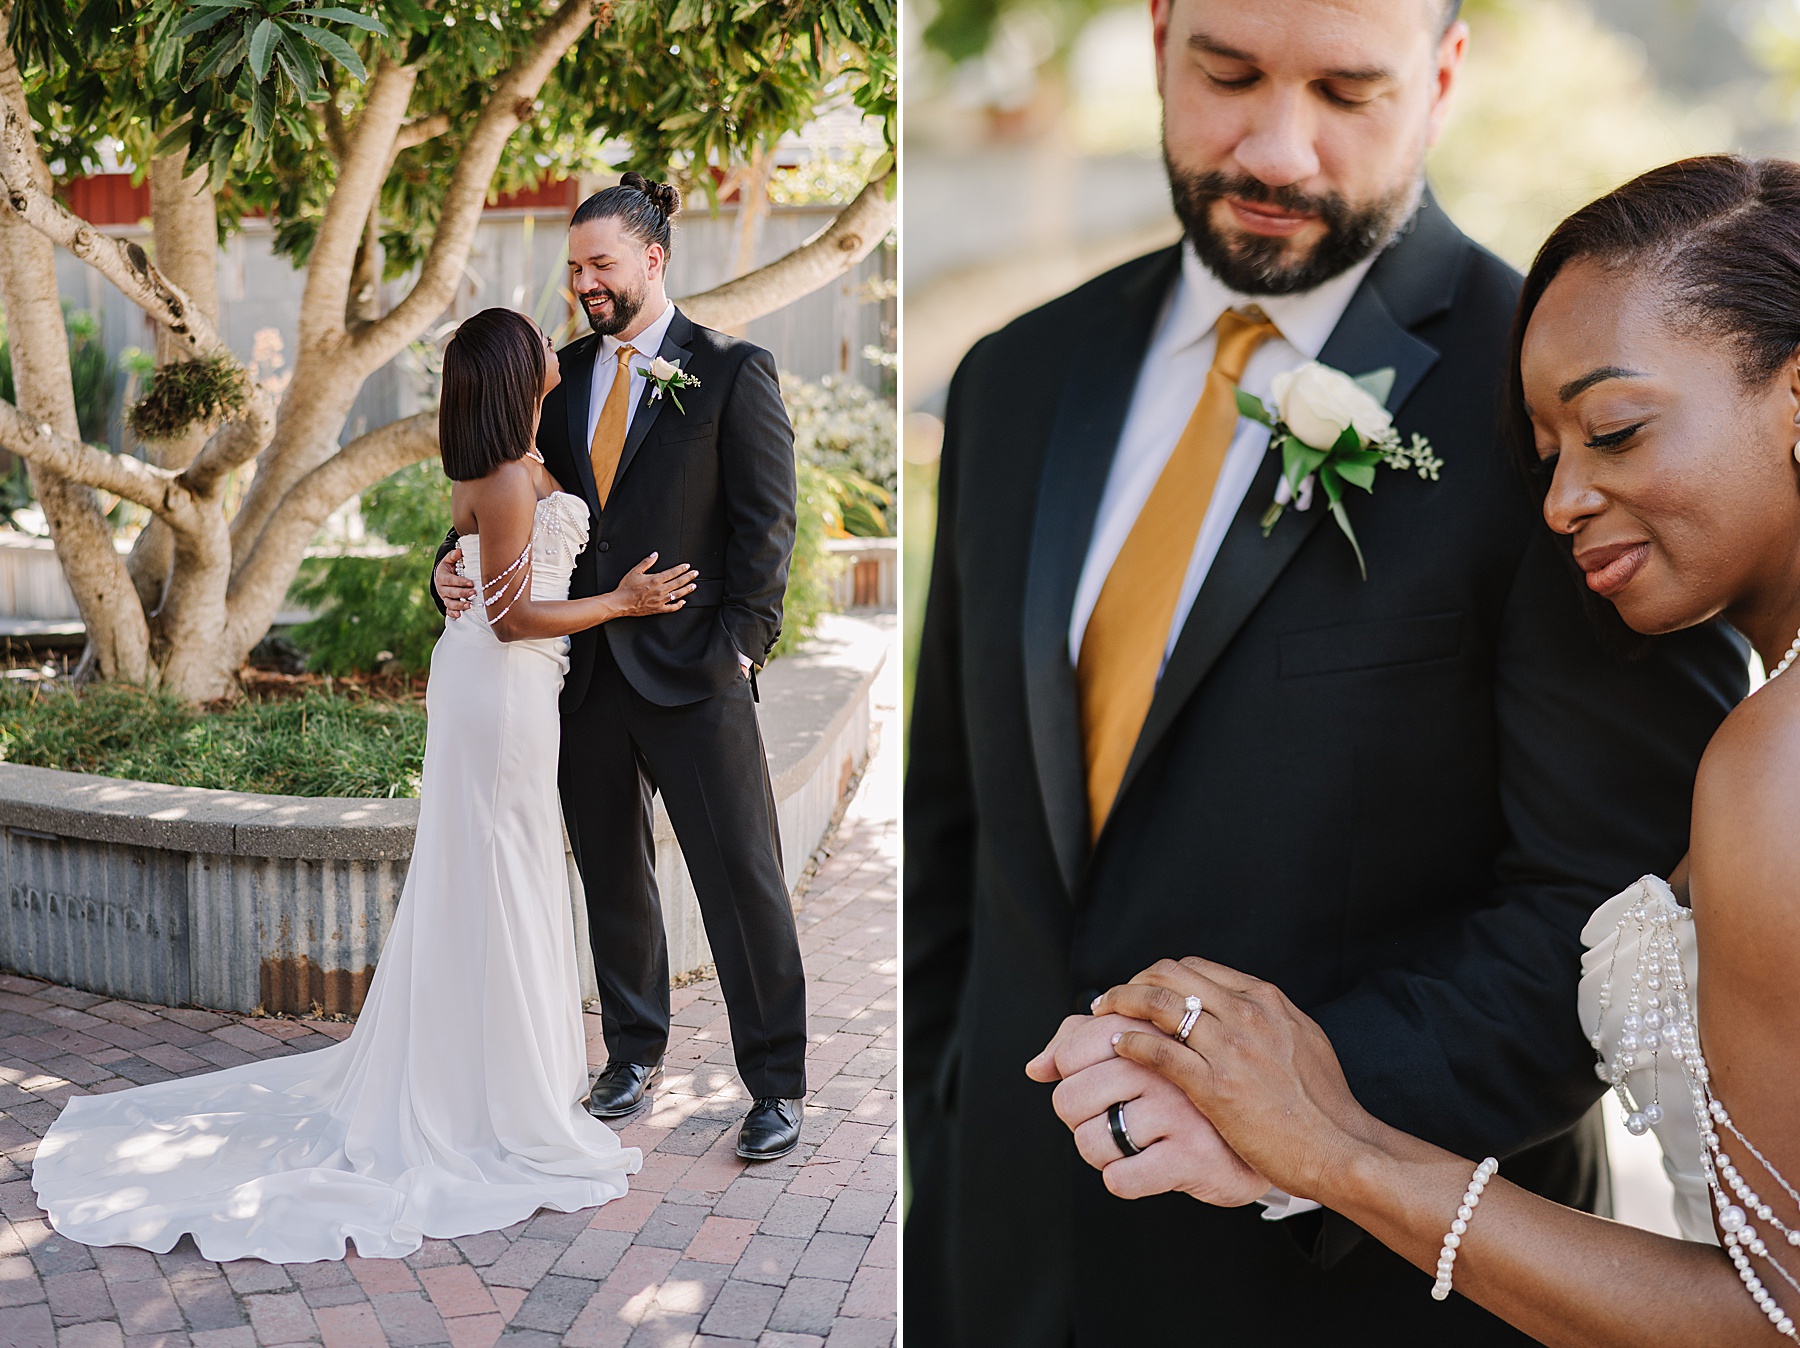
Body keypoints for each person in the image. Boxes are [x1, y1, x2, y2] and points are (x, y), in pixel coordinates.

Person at [904, 0, 1750, 1343]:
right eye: (1227, 74)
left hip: (1364, 1294)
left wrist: (1292, 1118)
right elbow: (956, 844)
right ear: (1159, 34)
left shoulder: (1563, 416)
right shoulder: (1012, 378)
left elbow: (1607, 910)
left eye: (1349, 93)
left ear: (1444, 74)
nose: (1280, 151)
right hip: (1002, 1257)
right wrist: (940, 1163)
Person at [1049, 151, 1800, 1348]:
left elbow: (1774, 1321)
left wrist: (1337, 1151)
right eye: (1547, 454)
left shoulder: (1776, 766)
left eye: (1614, 429)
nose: (1560, 502)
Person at [28, 307, 694, 1262]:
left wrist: (454, 579)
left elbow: (471, 573)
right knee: (499, 880)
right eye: (539, 345)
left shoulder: (492, 468)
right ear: (517, 374)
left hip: (496, 690)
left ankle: (486, 1080)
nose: (555, 348)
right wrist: (623, 600)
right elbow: (511, 619)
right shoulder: (507, 476)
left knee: (487, 880)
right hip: (502, 691)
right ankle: (497, 1103)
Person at [433, 174, 808, 1161]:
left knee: (743, 880)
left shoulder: (732, 372)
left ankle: (775, 1081)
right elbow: (498, 487)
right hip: (579, 681)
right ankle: (632, 1055)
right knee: (612, 877)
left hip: (698, 676)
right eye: (574, 270)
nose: (586, 284)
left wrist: (740, 647)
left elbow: (766, 528)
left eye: (602, 265)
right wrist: (449, 561)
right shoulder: (554, 375)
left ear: (653, 258)